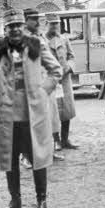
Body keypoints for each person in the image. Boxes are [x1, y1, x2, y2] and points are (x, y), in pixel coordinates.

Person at [0, 9, 63, 208]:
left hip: (32, 115)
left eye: (18, 25)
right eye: (10, 26)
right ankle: (15, 201)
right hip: (7, 116)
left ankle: (41, 201)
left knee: (38, 158)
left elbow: (56, 70)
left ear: (24, 26)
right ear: (5, 29)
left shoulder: (36, 45)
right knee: (10, 160)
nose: (15, 30)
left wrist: (43, 91)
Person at [23, 9, 64, 162]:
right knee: (30, 123)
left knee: (49, 121)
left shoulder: (40, 36)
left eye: (38, 19)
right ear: (25, 20)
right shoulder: (22, 38)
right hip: (30, 87)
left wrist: (46, 88)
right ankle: (26, 156)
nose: (37, 22)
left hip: (45, 85)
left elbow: (49, 61)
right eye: (33, 19)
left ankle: (48, 151)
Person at [44, 14, 78, 151]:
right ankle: (56, 140)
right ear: (46, 24)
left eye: (57, 23)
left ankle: (65, 139)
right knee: (53, 111)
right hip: (51, 81)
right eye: (52, 24)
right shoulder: (42, 41)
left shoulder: (64, 39)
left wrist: (69, 67)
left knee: (66, 111)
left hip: (64, 80)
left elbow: (71, 56)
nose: (55, 26)